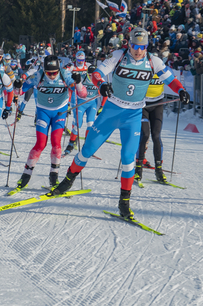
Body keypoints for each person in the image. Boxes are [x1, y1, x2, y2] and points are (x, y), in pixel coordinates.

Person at [50, 27, 190, 220]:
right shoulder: (118, 55)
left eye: (142, 47)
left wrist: (181, 91)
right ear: (129, 44)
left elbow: (171, 80)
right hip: (111, 111)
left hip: (132, 115)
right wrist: (101, 85)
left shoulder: (153, 61)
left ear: (147, 46)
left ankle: (124, 203)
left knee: (128, 158)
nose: (138, 50)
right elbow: (97, 73)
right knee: (88, 149)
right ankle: (67, 181)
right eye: (134, 46)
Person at [16, 55, 86, 189]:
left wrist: (78, 83)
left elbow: (82, 94)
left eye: (54, 72)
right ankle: (26, 175)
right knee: (40, 144)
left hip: (59, 112)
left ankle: (54, 176)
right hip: (43, 112)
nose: (52, 76)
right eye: (49, 73)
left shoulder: (65, 74)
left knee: (56, 142)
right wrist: (17, 86)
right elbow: (19, 91)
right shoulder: (38, 76)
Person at [134, 66, 170, 183]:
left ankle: (159, 170)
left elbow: (173, 82)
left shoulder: (164, 70)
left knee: (156, 136)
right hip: (143, 105)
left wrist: (181, 91)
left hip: (157, 104)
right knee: (144, 134)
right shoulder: (143, 70)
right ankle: (138, 168)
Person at [64, 50, 102, 157]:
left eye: (82, 60)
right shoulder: (72, 66)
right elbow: (64, 73)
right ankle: (72, 142)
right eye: (78, 60)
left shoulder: (89, 66)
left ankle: (87, 145)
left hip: (91, 101)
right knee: (77, 123)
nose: (80, 62)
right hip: (78, 97)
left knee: (90, 124)